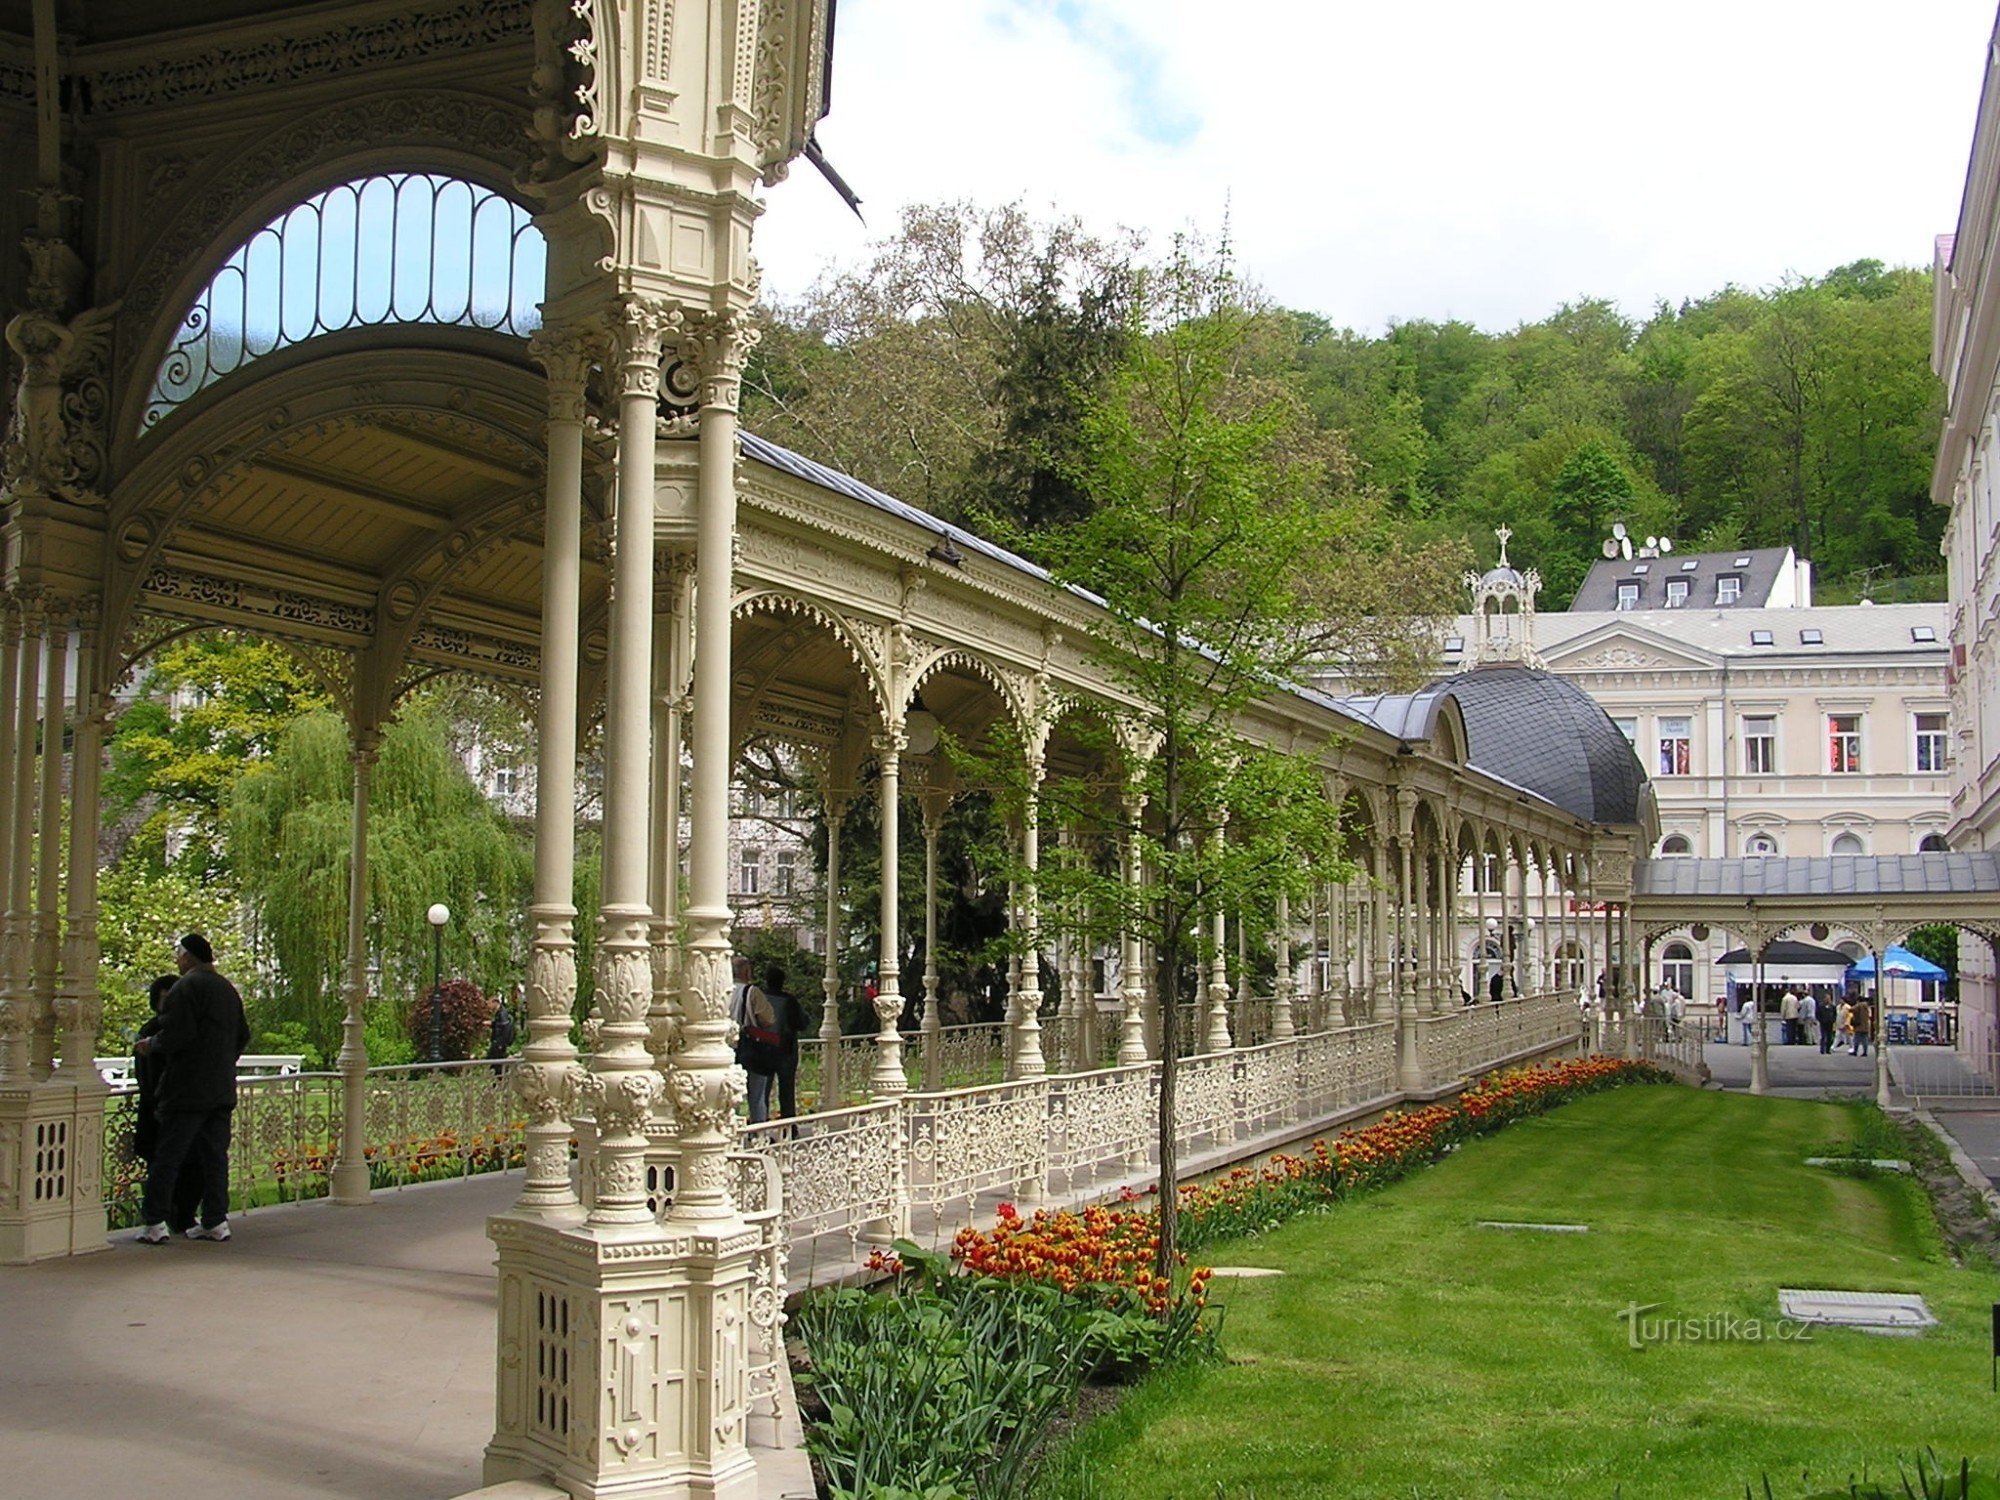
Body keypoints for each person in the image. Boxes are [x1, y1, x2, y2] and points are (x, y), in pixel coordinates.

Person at [133, 933, 249, 1244]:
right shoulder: (227, 989)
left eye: (178, 953)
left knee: (168, 1155)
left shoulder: (186, 987)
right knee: (215, 1157)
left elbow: (177, 1034)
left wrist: (151, 1045)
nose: (177, 959)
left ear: (188, 956)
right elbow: (242, 1035)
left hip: (186, 1090)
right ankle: (215, 1219)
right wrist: (221, 1061)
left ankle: (155, 1221)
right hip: (221, 1088)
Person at [133, 974, 204, 1235]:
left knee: (192, 1166)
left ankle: (182, 1215)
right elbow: (148, 1075)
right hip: (160, 1110)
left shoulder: (186, 1030)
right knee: (164, 1166)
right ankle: (161, 1218)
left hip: (184, 1107)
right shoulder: (152, 1031)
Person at [731, 957, 782, 1124]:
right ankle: (758, 1136)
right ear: (746, 972)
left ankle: (733, 1133)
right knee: (757, 1096)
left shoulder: (723, 990)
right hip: (751, 1048)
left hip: (726, 1049)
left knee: (731, 1096)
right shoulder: (751, 992)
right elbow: (768, 1019)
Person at [761, 963, 805, 1122]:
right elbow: (802, 1023)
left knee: (762, 1092)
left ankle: (760, 1125)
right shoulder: (789, 1001)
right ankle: (789, 1126)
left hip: (764, 1049)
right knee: (787, 1092)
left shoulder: (760, 998)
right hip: (785, 1051)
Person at [486, 987, 517, 1066]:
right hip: (498, 1041)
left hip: (499, 1042)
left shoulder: (502, 1013)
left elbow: (504, 1028)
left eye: (489, 1003)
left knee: (494, 1060)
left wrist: (500, 1043)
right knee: (494, 1060)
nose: (488, 1006)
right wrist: (491, 1024)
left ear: (495, 1003)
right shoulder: (499, 1012)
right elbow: (499, 1024)